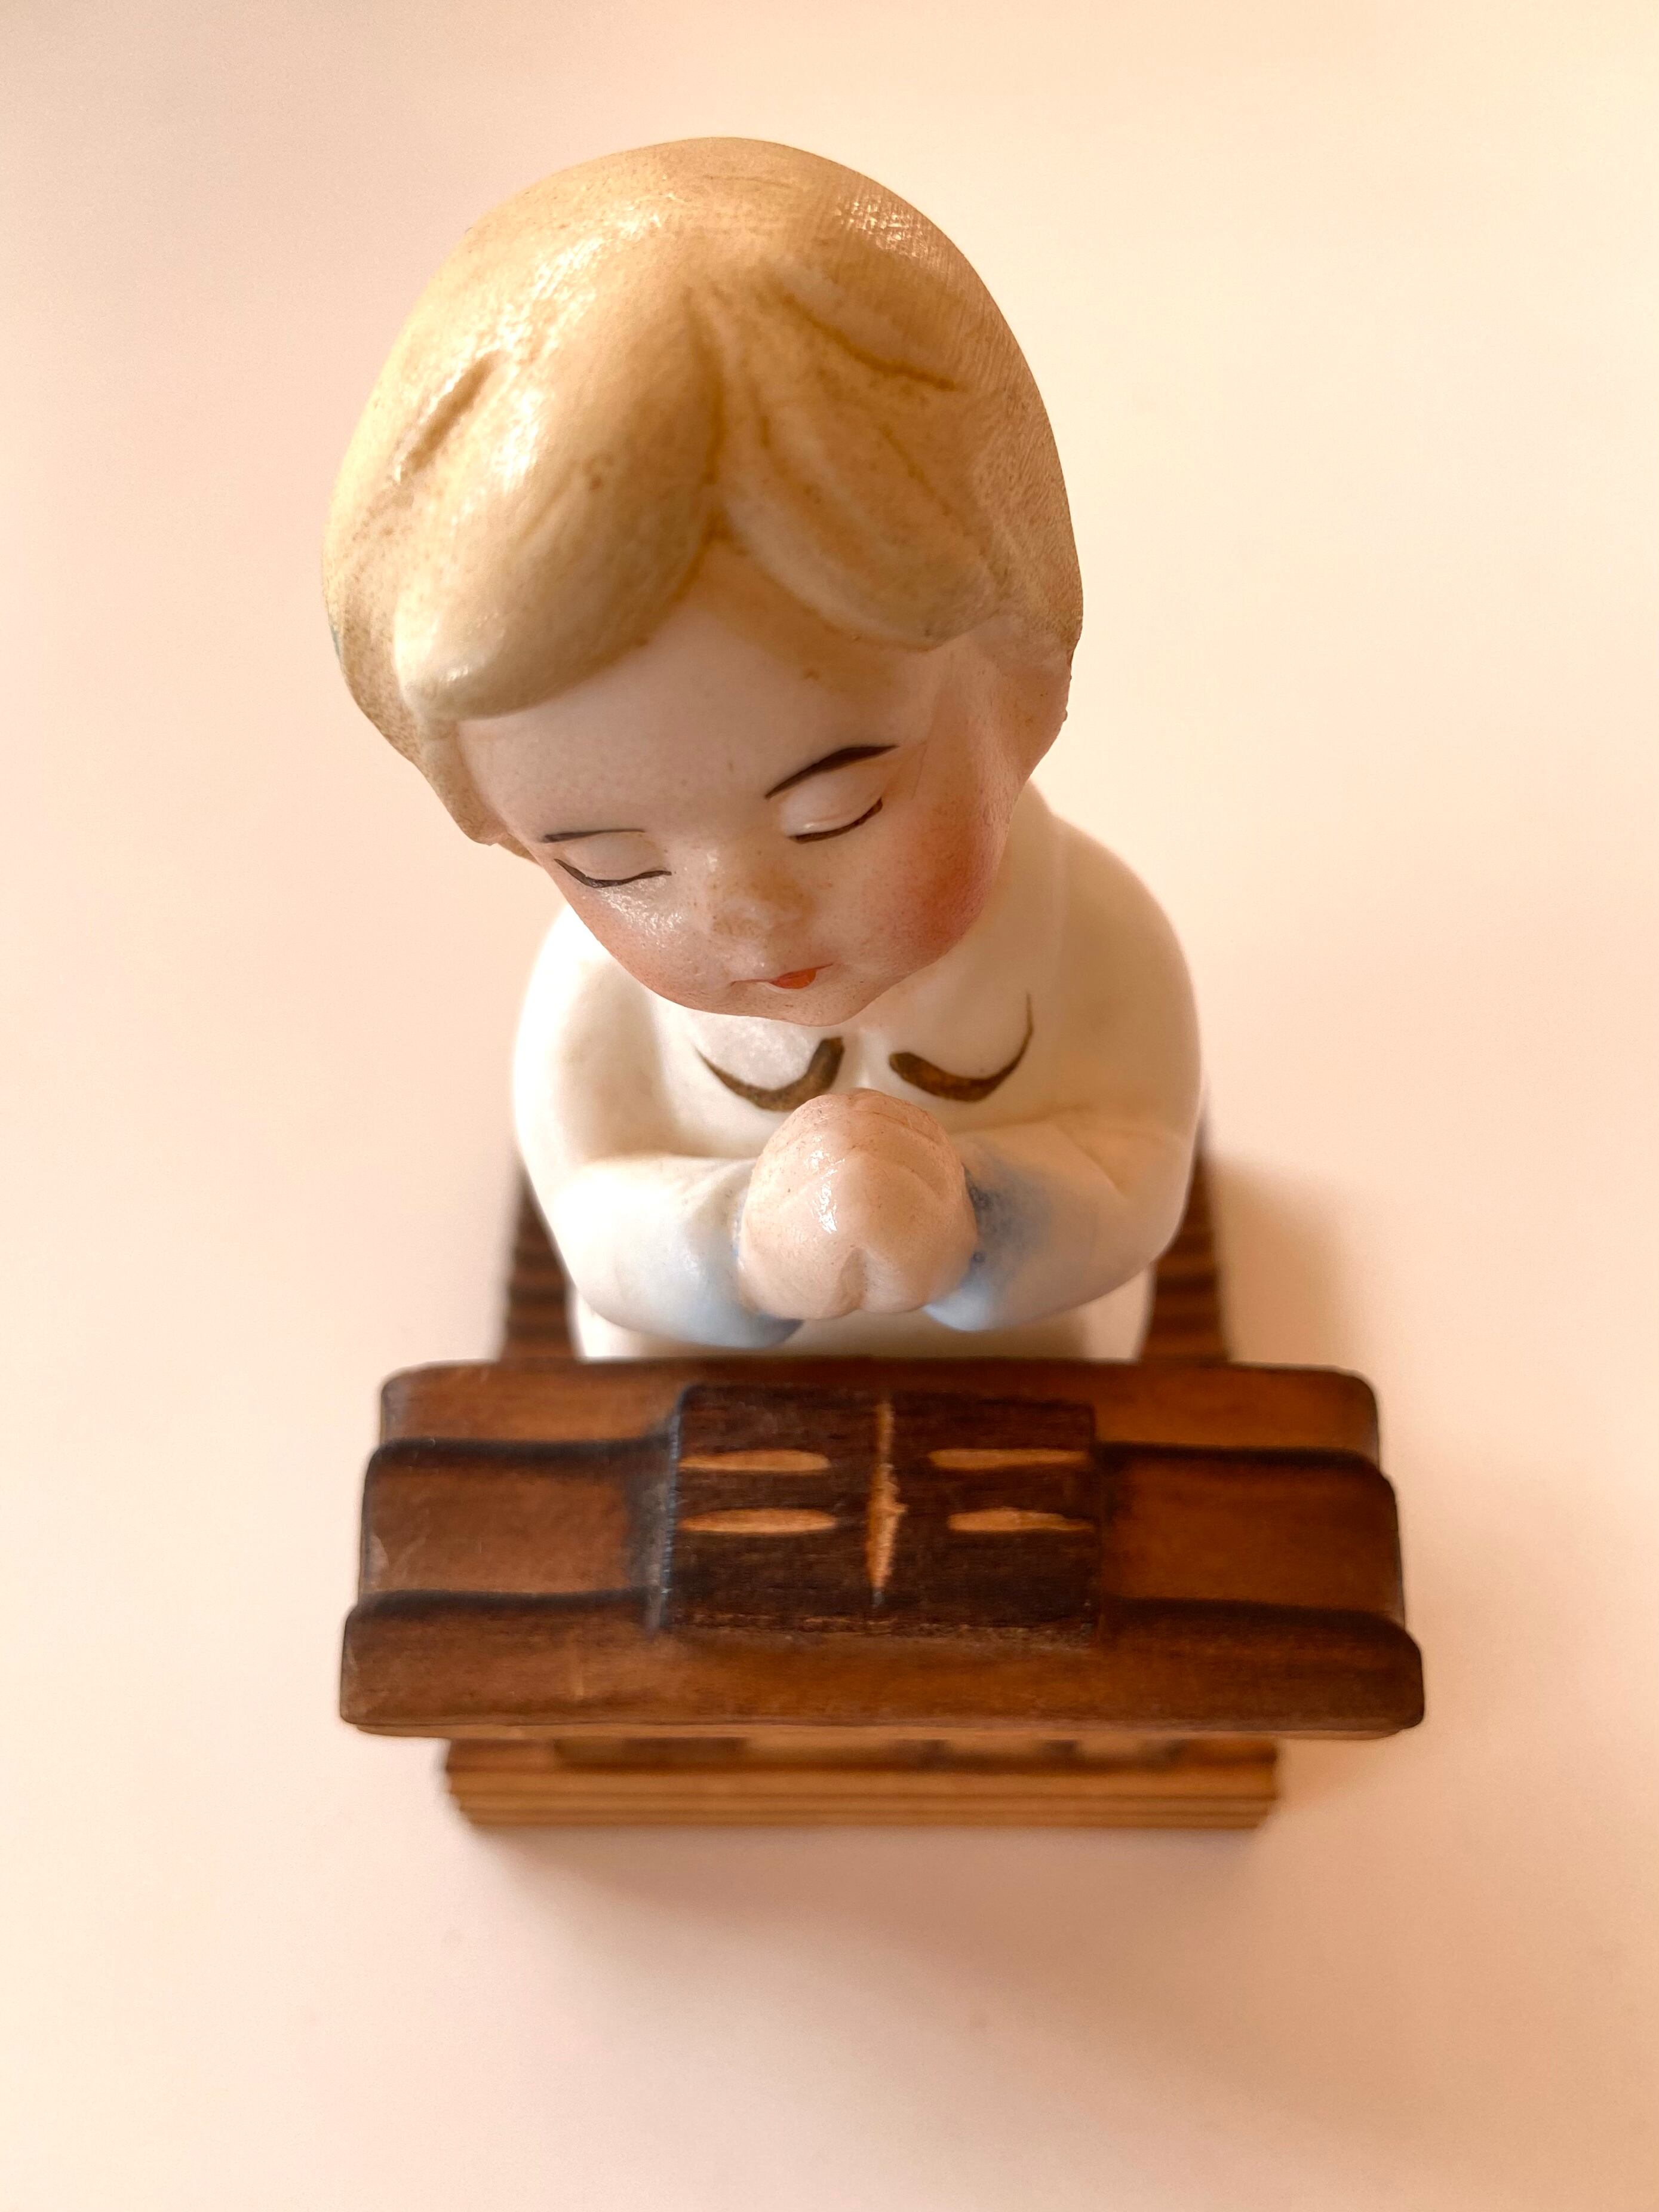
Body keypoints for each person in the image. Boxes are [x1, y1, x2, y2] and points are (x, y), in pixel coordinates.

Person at [325, 137, 1200, 1359]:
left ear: (1019, 684)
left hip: (1027, 1374)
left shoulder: (1095, 935)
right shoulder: (596, 1000)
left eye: (832, 812)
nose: (743, 914)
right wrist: (739, 1243)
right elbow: (588, 1204)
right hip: (687, 1389)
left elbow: (1139, 1163)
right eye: (615, 867)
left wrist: (982, 1220)